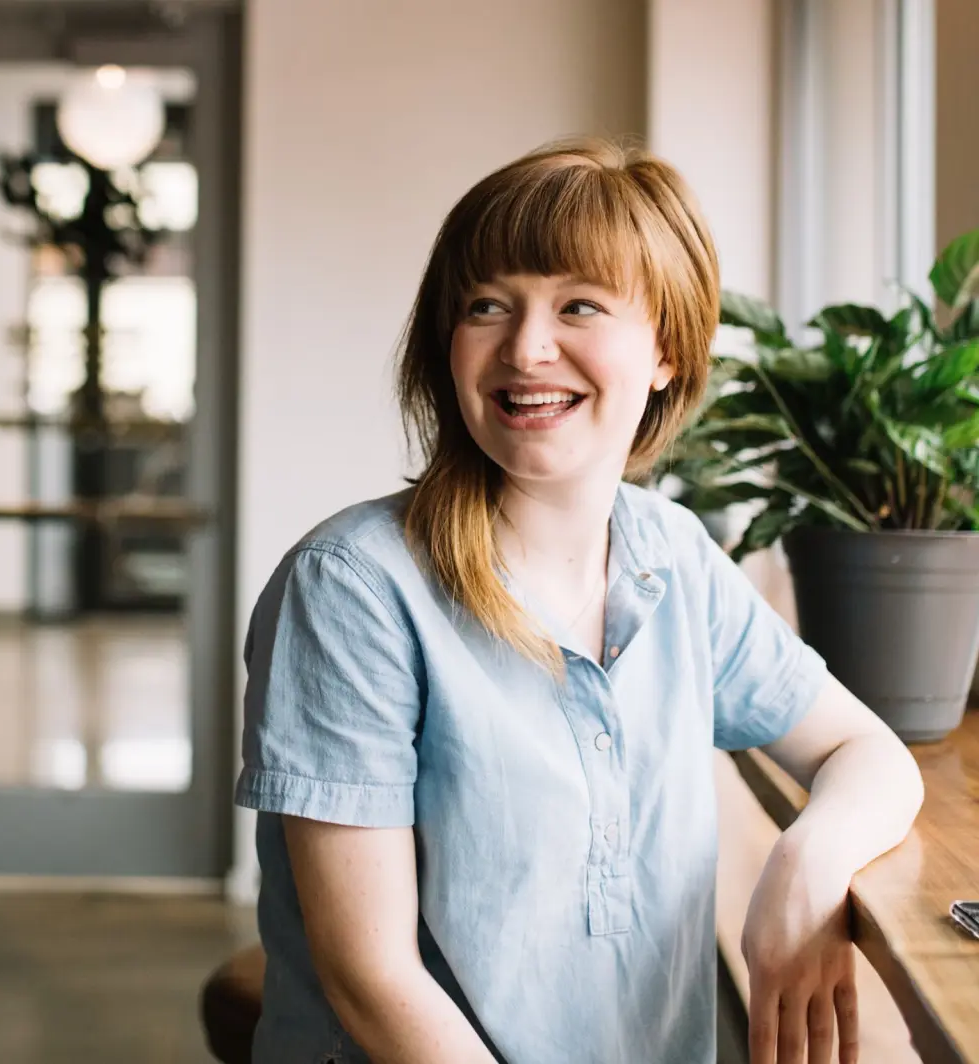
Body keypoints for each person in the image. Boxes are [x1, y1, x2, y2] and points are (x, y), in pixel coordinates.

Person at [235, 137, 924, 1064]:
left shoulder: (672, 555)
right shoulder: (352, 587)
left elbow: (867, 753)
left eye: (579, 306)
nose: (525, 348)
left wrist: (806, 863)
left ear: (667, 353)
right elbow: (372, 980)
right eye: (487, 306)